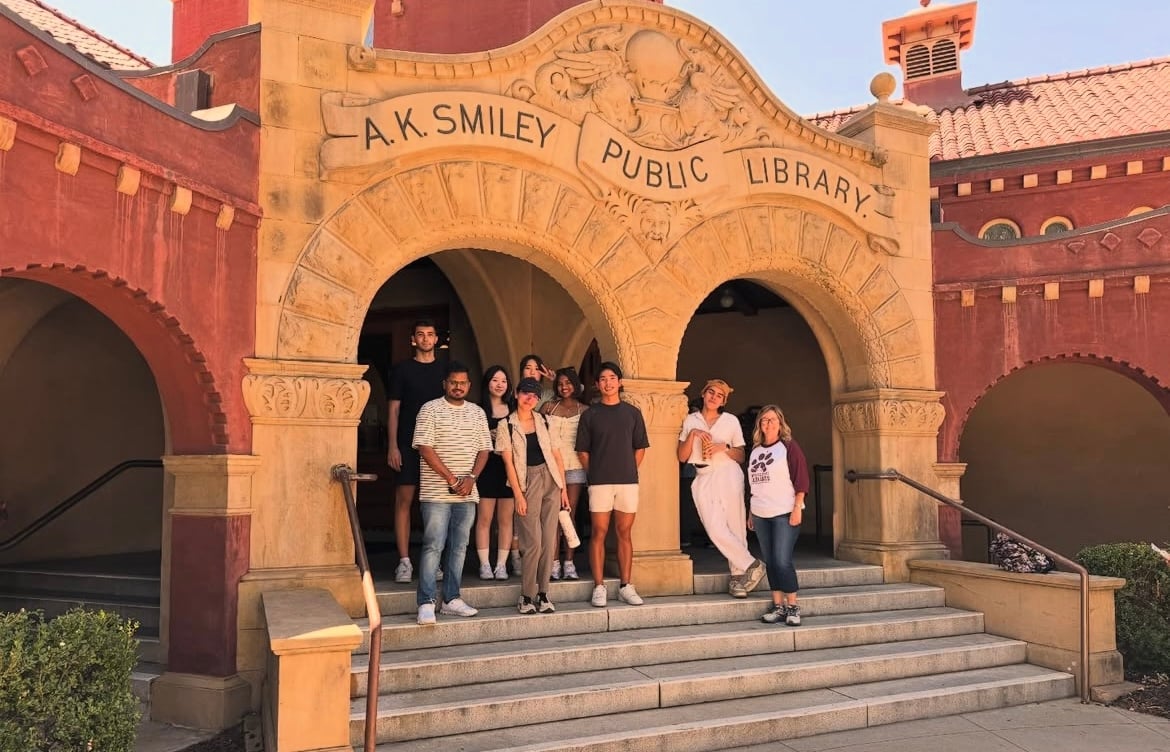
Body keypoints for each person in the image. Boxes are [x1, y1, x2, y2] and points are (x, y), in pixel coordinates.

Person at [413, 362, 493, 625]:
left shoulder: (478, 413)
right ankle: (425, 602)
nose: (458, 387)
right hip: (437, 492)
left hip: (467, 493)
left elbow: (484, 449)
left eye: (463, 383)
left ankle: (451, 599)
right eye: (453, 382)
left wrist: (471, 478)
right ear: (444, 384)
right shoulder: (430, 409)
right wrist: (451, 478)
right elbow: (425, 447)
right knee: (433, 545)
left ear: (469, 386)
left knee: (459, 547)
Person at [678, 379, 765, 599]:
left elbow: (741, 455)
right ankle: (752, 564)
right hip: (702, 476)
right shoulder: (690, 420)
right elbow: (681, 456)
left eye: (719, 395)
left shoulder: (730, 421)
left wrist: (723, 447)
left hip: (727, 473)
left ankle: (738, 579)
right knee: (714, 528)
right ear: (704, 394)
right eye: (711, 392)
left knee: (735, 527)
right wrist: (693, 435)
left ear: (724, 400)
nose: (714, 397)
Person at [575, 361, 649, 608]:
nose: (608, 383)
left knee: (624, 533)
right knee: (598, 532)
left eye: (612, 378)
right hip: (599, 483)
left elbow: (640, 448)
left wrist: (627, 469)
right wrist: (595, 473)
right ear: (597, 385)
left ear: (619, 382)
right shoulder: (590, 415)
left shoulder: (632, 413)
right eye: (603, 379)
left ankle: (626, 586)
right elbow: (583, 452)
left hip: (628, 481)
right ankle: (599, 586)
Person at [498, 377, 570, 614]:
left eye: (535, 395)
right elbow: (508, 463)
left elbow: (557, 455)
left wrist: (564, 489)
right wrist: (518, 494)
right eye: (526, 393)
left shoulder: (546, 421)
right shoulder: (506, 425)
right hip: (526, 480)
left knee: (549, 540)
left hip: (551, 479)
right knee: (533, 542)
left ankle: (543, 593)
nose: (530, 398)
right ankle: (526, 595)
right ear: (517, 394)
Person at [387, 320, 445, 583]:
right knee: (404, 501)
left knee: (436, 506)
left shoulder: (446, 370)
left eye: (430, 335)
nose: (425, 339)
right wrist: (392, 446)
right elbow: (394, 410)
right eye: (420, 335)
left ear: (436, 340)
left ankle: (434, 562)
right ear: (413, 339)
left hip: (439, 446)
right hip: (407, 445)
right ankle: (404, 562)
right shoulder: (402, 370)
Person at [747, 405, 810, 627]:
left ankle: (792, 606)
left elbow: (801, 478)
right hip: (761, 513)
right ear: (759, 425)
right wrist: (751, 512)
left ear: (780, 423)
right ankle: (778, 606)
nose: (768, 424)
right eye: (764, 420)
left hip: (784, 512)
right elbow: (754, 484)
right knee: (771, 561)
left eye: (772, 420)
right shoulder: (755, 450)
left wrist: (797, 507)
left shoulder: (788, 447)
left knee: (782, 561)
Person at [541, 367, 589, 580]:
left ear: (576, 385)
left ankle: (569, 562)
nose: (564, 387)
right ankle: (554, 562)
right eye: (560, 383)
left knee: (569, 512)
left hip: (576, 466)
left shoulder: (585, 410)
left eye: (568, 382)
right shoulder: (548, 407)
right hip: (551, 467)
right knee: (553, 514)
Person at [474, 366, 515, 581]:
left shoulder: (515, 408)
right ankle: (484, 565)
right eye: (495, 380)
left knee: (506, 519)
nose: (499, 384)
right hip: (485, 468)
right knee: (484, 518)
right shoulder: (477, 409)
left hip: (508, 469)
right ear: (487, 382)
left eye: (504, 381)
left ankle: (501, 565)